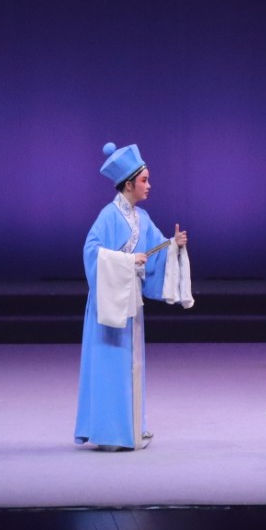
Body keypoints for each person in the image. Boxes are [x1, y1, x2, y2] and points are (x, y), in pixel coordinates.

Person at [75, 141, 191, 450]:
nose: (148, 186)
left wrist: (173, 245)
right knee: (110, 365)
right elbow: (92, 252)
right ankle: (108, 434)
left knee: (130, 365)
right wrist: (127, 261)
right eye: (144, 180)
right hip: (108, 302)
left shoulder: (142, 219)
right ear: (129, 184)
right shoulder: (108, 216)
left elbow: (156, 251)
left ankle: (130, 429)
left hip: (130, 301)